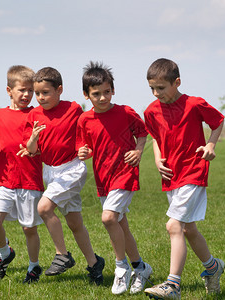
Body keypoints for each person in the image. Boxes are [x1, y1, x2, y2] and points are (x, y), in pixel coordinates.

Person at [142, 58, 225, 299]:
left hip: (194, 171)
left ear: (176, 82)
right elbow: (156, 138)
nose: (157, 93)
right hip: (171, 175)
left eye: (161, 88)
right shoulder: (151, 111)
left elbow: (218, 121)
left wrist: (210, 144)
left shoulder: (194, 104)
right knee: (188, 229)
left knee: (173, 225)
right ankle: (212, 267)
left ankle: (173, 285)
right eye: (152, 89)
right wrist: (157, 160)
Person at [76, 62, 153, 295]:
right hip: (103, 178)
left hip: (125, 173)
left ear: (113, 90)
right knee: (120, 225)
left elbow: (143, 132)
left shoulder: (125, 112)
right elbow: (83, 145)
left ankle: (121, 268)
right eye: (96, 94)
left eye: (106, 92)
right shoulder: (84, 120)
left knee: (108, 218)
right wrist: (83, 152)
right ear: (86, 95)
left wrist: (138, 151)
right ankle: (140, 267)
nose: (102, 98)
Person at [23, 67, 105, 285]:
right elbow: (31, 149)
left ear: (59, 90)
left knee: (44, 208)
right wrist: (33, 138)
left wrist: (84, 148)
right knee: (75, 222)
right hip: (50, 172)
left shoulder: (73, 108)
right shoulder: (34, 115)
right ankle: (94, 263)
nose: (40, 97)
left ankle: (62, 255)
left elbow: (87, 131)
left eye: (45, 92)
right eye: (37, 93)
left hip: (71, 169)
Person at [0, 65, 44, 283]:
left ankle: (34, 267)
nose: (27, 95)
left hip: (29, 180)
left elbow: (38, 148)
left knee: (29, 228)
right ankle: (5, 253)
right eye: (22, 90)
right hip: (4, 179)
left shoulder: (37, 114)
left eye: (30, 91)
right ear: (9, 90)